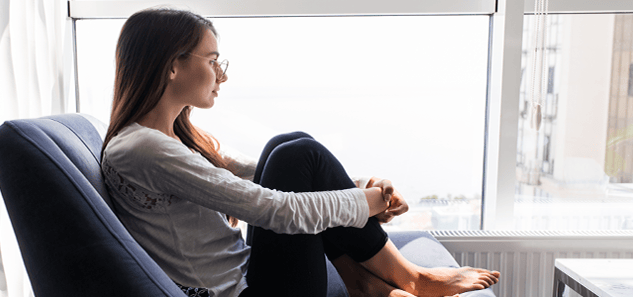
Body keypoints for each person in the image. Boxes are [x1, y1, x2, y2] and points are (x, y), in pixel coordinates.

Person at [100, 7, 500, 297]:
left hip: (250, 273)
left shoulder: (165, 138)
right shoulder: (144, 148)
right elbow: (275, 209)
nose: (221, 74)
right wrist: (365, 203)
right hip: (246, 292)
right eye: (212, 60)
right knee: (300, 153)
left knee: (286, 148)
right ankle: (414, 279)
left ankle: (363, 284)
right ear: (173, 66)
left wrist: (359, 188)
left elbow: (258, 173)